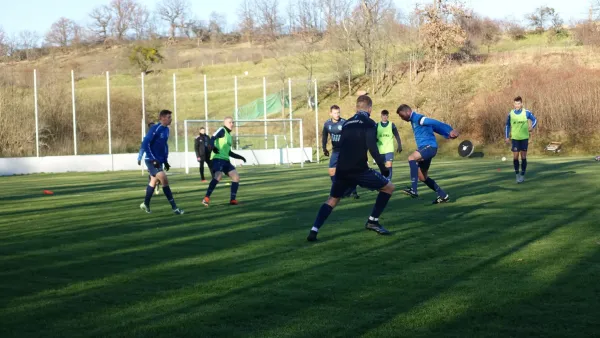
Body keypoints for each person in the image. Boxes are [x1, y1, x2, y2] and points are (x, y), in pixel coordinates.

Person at [307, 95, 395, 242]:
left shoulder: (346, 123)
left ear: (356, 108)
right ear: (370, 109)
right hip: (359, 170)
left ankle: (314, 230)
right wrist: (383, 168)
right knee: (389, 188)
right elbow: (372, 148)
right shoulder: (369, 123)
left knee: (333, 199)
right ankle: (372, 221)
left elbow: (340, 146)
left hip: (342, 169)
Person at [395, 104, 459, 204]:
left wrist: (449, 130)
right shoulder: (414, 120)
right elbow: (434, 127)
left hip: (429, 147)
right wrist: (447, 135)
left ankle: (414, 190)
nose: (401, 118)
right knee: (422, 177)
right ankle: (443, 195)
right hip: (426, 149)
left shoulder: (419, 118)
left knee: (411, 158)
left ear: (408, 112)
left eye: (401, 115)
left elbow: (435, 122)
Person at [139, 110, 184, 215]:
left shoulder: (166, 130)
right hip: (151, 160)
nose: (170, 119)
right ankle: (175, 208)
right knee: (164, 180)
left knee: (153, 182)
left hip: (159, 160)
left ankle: (145, 204)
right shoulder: (156, 128)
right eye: (169, 117)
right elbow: (146, 143)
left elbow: (164, 146)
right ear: (162, 118)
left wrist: (165, 160)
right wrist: (152, 158)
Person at [202, 117, 247, 206]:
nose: (232, 124)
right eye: (230, 122)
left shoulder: (229, 136)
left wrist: (240, 157)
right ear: (225, 123)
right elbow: (213, 137)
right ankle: (206, 198)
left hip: (226, 160)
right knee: (218, 176)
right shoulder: (222, 130)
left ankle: (232, 200)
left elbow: (229, 152)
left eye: (232, 122)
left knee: (236, 177)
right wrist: (212, 146)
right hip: (218, 158)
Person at [322, 105, 359, 199]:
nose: (337, 114)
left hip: (345, 150)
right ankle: (339, 189)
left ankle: (352, 190)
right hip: (335, 150)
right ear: (330, 113)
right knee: (331, 170)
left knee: (347, 171)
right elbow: (324, 136)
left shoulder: (344, 123)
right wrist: (324, 148)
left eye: (338, 112)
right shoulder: (327, 124)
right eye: (335, 113)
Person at [505, 96, 537, 183]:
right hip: (515, 139)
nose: (517, 105)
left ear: (521, 104)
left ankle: (522, 175)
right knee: (515, 157)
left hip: (524, 138)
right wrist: (507, 137)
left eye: (519, 103)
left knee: (523, 157)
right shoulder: (510, 114)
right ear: (513, 104)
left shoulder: (526, 112)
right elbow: (507, 125)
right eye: (516, 103)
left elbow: (535, 120)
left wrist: (532, 127)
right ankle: (517, 175)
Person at [376, 109, 403, 180]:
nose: (384, 117)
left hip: (389, 148)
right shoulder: (377, 125)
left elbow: (397, 135)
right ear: (381, 116)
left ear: (388, 116)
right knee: (382, 167)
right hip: (380, 149)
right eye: (383, 115)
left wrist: (399, 145)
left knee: (389, 164)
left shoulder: (391, 125)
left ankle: (388, 181)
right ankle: (383, 181)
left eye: (386, 115)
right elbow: (373, 136)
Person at [137, 121, 160, 195]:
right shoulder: (146, 138)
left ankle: (157, 185)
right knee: (152, 175)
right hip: (149, 159)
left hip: (158, 159)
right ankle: (151, 188)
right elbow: (142, 149)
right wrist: (139, 158)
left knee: (159, 174)